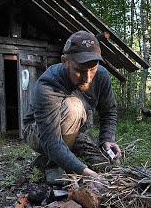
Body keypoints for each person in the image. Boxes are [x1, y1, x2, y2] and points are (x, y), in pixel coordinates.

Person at [23, 30, 122, 178]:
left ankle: (48, 159)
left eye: (92, 69)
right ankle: (54, 166)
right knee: (73, 106)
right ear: (64, 61)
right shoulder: (48, 84)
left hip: (75, 132)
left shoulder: (101, 76)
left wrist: (107, 139)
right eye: (79, 70)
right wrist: (86, 173)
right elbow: (51, 139)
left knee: (108, 165)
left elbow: (109, 111)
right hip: (39, 131)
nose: (87, 78)